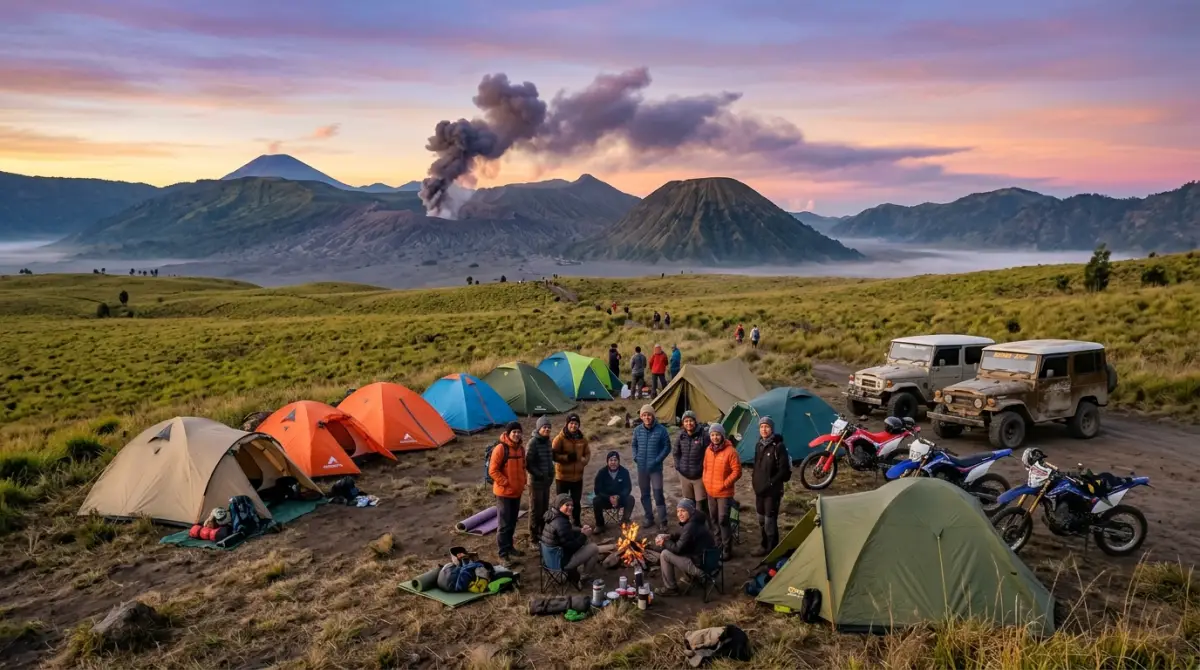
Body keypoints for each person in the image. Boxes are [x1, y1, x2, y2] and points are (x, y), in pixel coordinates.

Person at [653, 499, 715, 597]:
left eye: (683, 511)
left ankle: (671, 588)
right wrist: (669, 536)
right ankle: (692, 578)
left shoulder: (690, 526)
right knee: (678, 548)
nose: (679, 514)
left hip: (702, 568)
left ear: (690, 511)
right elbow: (683, 535)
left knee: (665, 554)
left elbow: (678, 549)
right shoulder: (698, 520)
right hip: (711, 563)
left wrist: (664, 542)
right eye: (678, 511)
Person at [750, 416, 791, 556]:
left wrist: (772, 482)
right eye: (761, 426)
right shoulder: (759, 445)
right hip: (759, 490)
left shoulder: (778, 446)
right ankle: (764, 544)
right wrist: (754, 481)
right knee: (761, 519)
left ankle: (772, 549)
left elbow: (783, 470)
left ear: (772, 428)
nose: (764, 429)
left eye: (766, 426)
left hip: (772, 491)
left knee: (769, 520)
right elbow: (756, 465)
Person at [541, 493, 600, 589]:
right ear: (559, 505)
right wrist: (584, 535)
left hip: (549, 560)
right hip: (560, 564)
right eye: (567, 505)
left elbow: (568, 529)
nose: (570, 507)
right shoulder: (561, 523)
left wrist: (580, 530)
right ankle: (584, 577)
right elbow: (572, 547)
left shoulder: (552, 516)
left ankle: (581, 571)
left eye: (572, 505)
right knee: (594, 548)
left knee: (584, 541)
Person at [702, 423, 741, 560]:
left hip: (724, 492)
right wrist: (706, 481)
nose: (715, 437)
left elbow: (737, 471)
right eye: (712, 435)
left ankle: (727, 549)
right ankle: (718, 544)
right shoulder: (708, 450)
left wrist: (725, 484)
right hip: (710, 491)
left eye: (717, 435)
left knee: (723, 519)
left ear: (722, 436)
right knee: (713, 519)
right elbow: (705, 467)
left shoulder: (731, 452)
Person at [489, 421, 527, 560]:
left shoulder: (521, 449)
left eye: (518, 432)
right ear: (508, 433)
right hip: (504, 493)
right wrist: (506, 483)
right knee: (504, 525)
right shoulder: (500, 449)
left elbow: (523, 467)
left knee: (512, 522)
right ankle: (503, 553)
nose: (517, 434)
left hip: (517, 492)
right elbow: (493, 470)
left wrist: (524, 481)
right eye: (514, 432)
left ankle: (510, 547)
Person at [631, 404, 671, 531]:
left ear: (653, 416)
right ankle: (649, 517)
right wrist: (635, 457)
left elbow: (667, 447)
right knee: (645, 494)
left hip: (655, 469)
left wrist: (657, 460)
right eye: (644, 415)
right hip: (642, 468)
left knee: (658, 494)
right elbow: (634, 445)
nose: (647, 417)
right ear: (641, 417)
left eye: (649, 415)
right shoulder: (637, 430)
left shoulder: (661, 430)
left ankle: (663, 521)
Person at [552, 413, 590, 526]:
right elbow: (553, 455)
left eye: (576, 424)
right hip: (562, 477)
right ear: (567, 424)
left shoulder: (582, 439)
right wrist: (567, 458)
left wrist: (583, 461)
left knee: (576, 502)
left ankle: (576, 523)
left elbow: (587, 453)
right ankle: (560, 524)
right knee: (561, 502)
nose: (573, 426)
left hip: (577, 477)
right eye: (571, 423)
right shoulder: (559, 438)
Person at [672, 410, 710, 521]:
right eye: (686, 421)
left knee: (701, 505)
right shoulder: (681, 436)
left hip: (699, 476)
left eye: (691, 421)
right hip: (684, 476)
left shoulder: (703, 435)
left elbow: (709, 454)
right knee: (688, 503)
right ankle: (690, 526)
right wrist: (678, 467)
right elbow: (675, 452)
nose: (689, 423)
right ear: (683, 423)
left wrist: (704, 470)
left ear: (695, 421)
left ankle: (702, 527)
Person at [525, 416, 555, 547]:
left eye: (549, 427)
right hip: (535, 482)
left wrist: (551, 473)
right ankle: (533, 538)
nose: (547, 429)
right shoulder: (533, 443)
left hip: (546, 482)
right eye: (544, 427)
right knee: (534, 510)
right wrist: (539, 474)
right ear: (539, 428)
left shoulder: (548, 441)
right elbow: (528, 463)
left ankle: (541, 533)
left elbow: (549, 461)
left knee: (544, 509)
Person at [592, 451, 635, 531]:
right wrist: (609, 498)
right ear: (607, 462)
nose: (613, 462)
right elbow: (597, 490)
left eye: (615, 460)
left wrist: (618, 496)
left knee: (630, 498)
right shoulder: (602, 472)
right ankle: (600, 525)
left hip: (619, 499)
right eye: (611, 460)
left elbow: (628, 488)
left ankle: (624, 521)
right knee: (596, 500)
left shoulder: (624, 472)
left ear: (618, 461)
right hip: (606, 500)